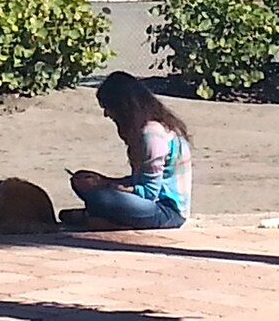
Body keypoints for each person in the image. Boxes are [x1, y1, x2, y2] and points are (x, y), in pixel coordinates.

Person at [64, 71, 192, 230]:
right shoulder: (145, 130)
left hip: (166, 211)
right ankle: (99, 217)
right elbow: (140, 180)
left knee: (99, 197)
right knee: (82, 183)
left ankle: (107, 221)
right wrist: (102, 180)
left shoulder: (152, 135)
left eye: (108, 107)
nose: (106, 114)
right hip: (148, 203)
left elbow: (149, 193)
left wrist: (105, 184)